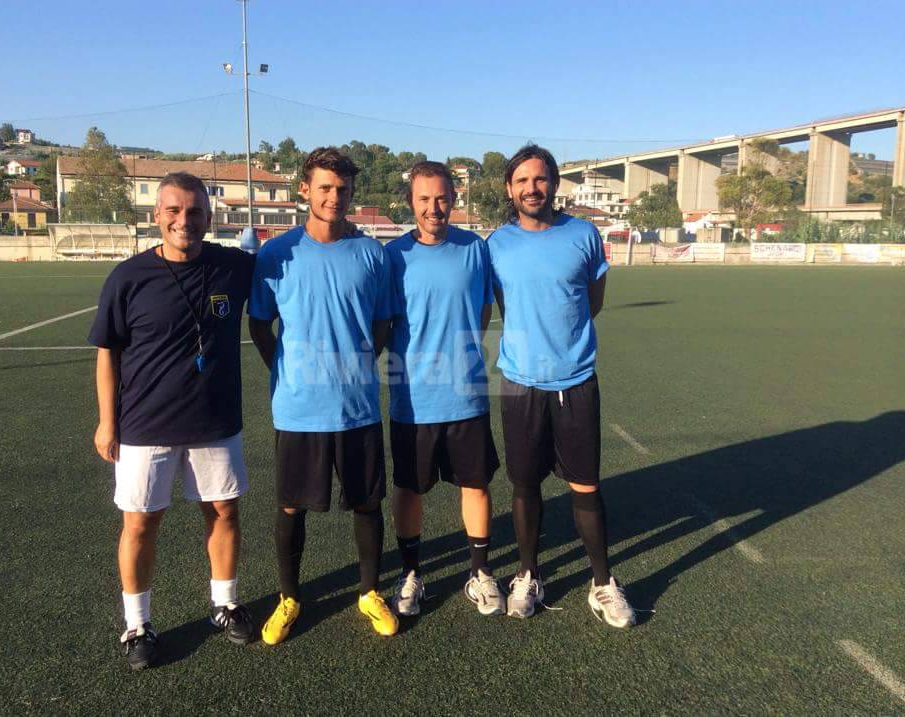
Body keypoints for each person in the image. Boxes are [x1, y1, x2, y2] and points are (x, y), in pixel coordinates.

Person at [90, 172, 256, 670]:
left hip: (215, 420)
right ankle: (137, 624)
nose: (185, 220)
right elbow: (107, 354)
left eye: (196, 211)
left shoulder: (233, 266)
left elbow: (295, 257)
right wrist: (106, 422)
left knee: (224, 512)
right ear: (157, 214)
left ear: (210, 216)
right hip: (143, 422)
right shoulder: (128, 276)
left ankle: (223, 604)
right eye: (174, 210)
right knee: (140, 523)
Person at [249, 147, 398, 644]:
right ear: (304, 191)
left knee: (367, 503)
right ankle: (289, 598)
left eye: (343, 188)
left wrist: (356, 363)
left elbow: (382, 322)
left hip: (356, 408)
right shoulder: (276, 255)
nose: (335, 197)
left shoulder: (371, 255)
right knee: (291, 507)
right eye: (326, 188)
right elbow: (260, 323)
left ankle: (369, 591)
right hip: (298, 410)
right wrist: (287, 370)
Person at [487, 145, 636, 627]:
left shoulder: (583, 235)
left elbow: (591, 302)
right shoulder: (496, 245)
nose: (532, 188)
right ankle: (528, 574)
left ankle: (602, 583)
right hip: (519, 385)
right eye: (522, 180)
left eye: (541, 179)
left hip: (576, 383)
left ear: (554, 183)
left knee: (585, 487)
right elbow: (502, 308)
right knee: (524, 486)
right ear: (510, 189)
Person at [385, 161, 505, 618]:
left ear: (454, 200)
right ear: (411, 202)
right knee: (410, 488)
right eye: (424, 199)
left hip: (466, 394)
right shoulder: (394, 256)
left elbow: (482, 312)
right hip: (412, 399)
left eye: (441, 198)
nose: (434, 208)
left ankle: (480, 573)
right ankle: (411, 572)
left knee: (474, 484)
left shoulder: (475, 249)